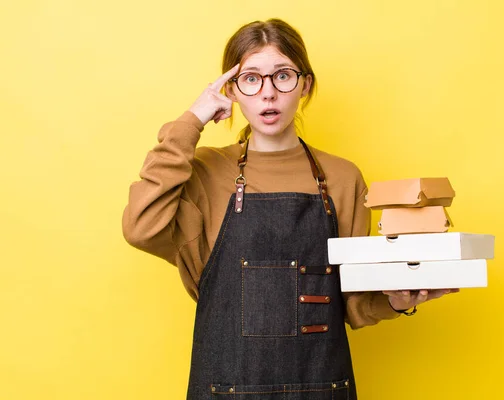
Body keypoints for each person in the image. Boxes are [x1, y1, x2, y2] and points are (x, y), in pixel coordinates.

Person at [122, 18, 457, 400]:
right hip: (224, 389)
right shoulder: (204, 173)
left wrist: (398, 301)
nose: (268, 93)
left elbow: (353, 303)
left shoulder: (343, 178)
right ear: (231, 90)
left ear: (305, 85)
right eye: (251, 78)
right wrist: (191, 120)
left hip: (321, 388)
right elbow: (141, 227)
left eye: (283, 75)